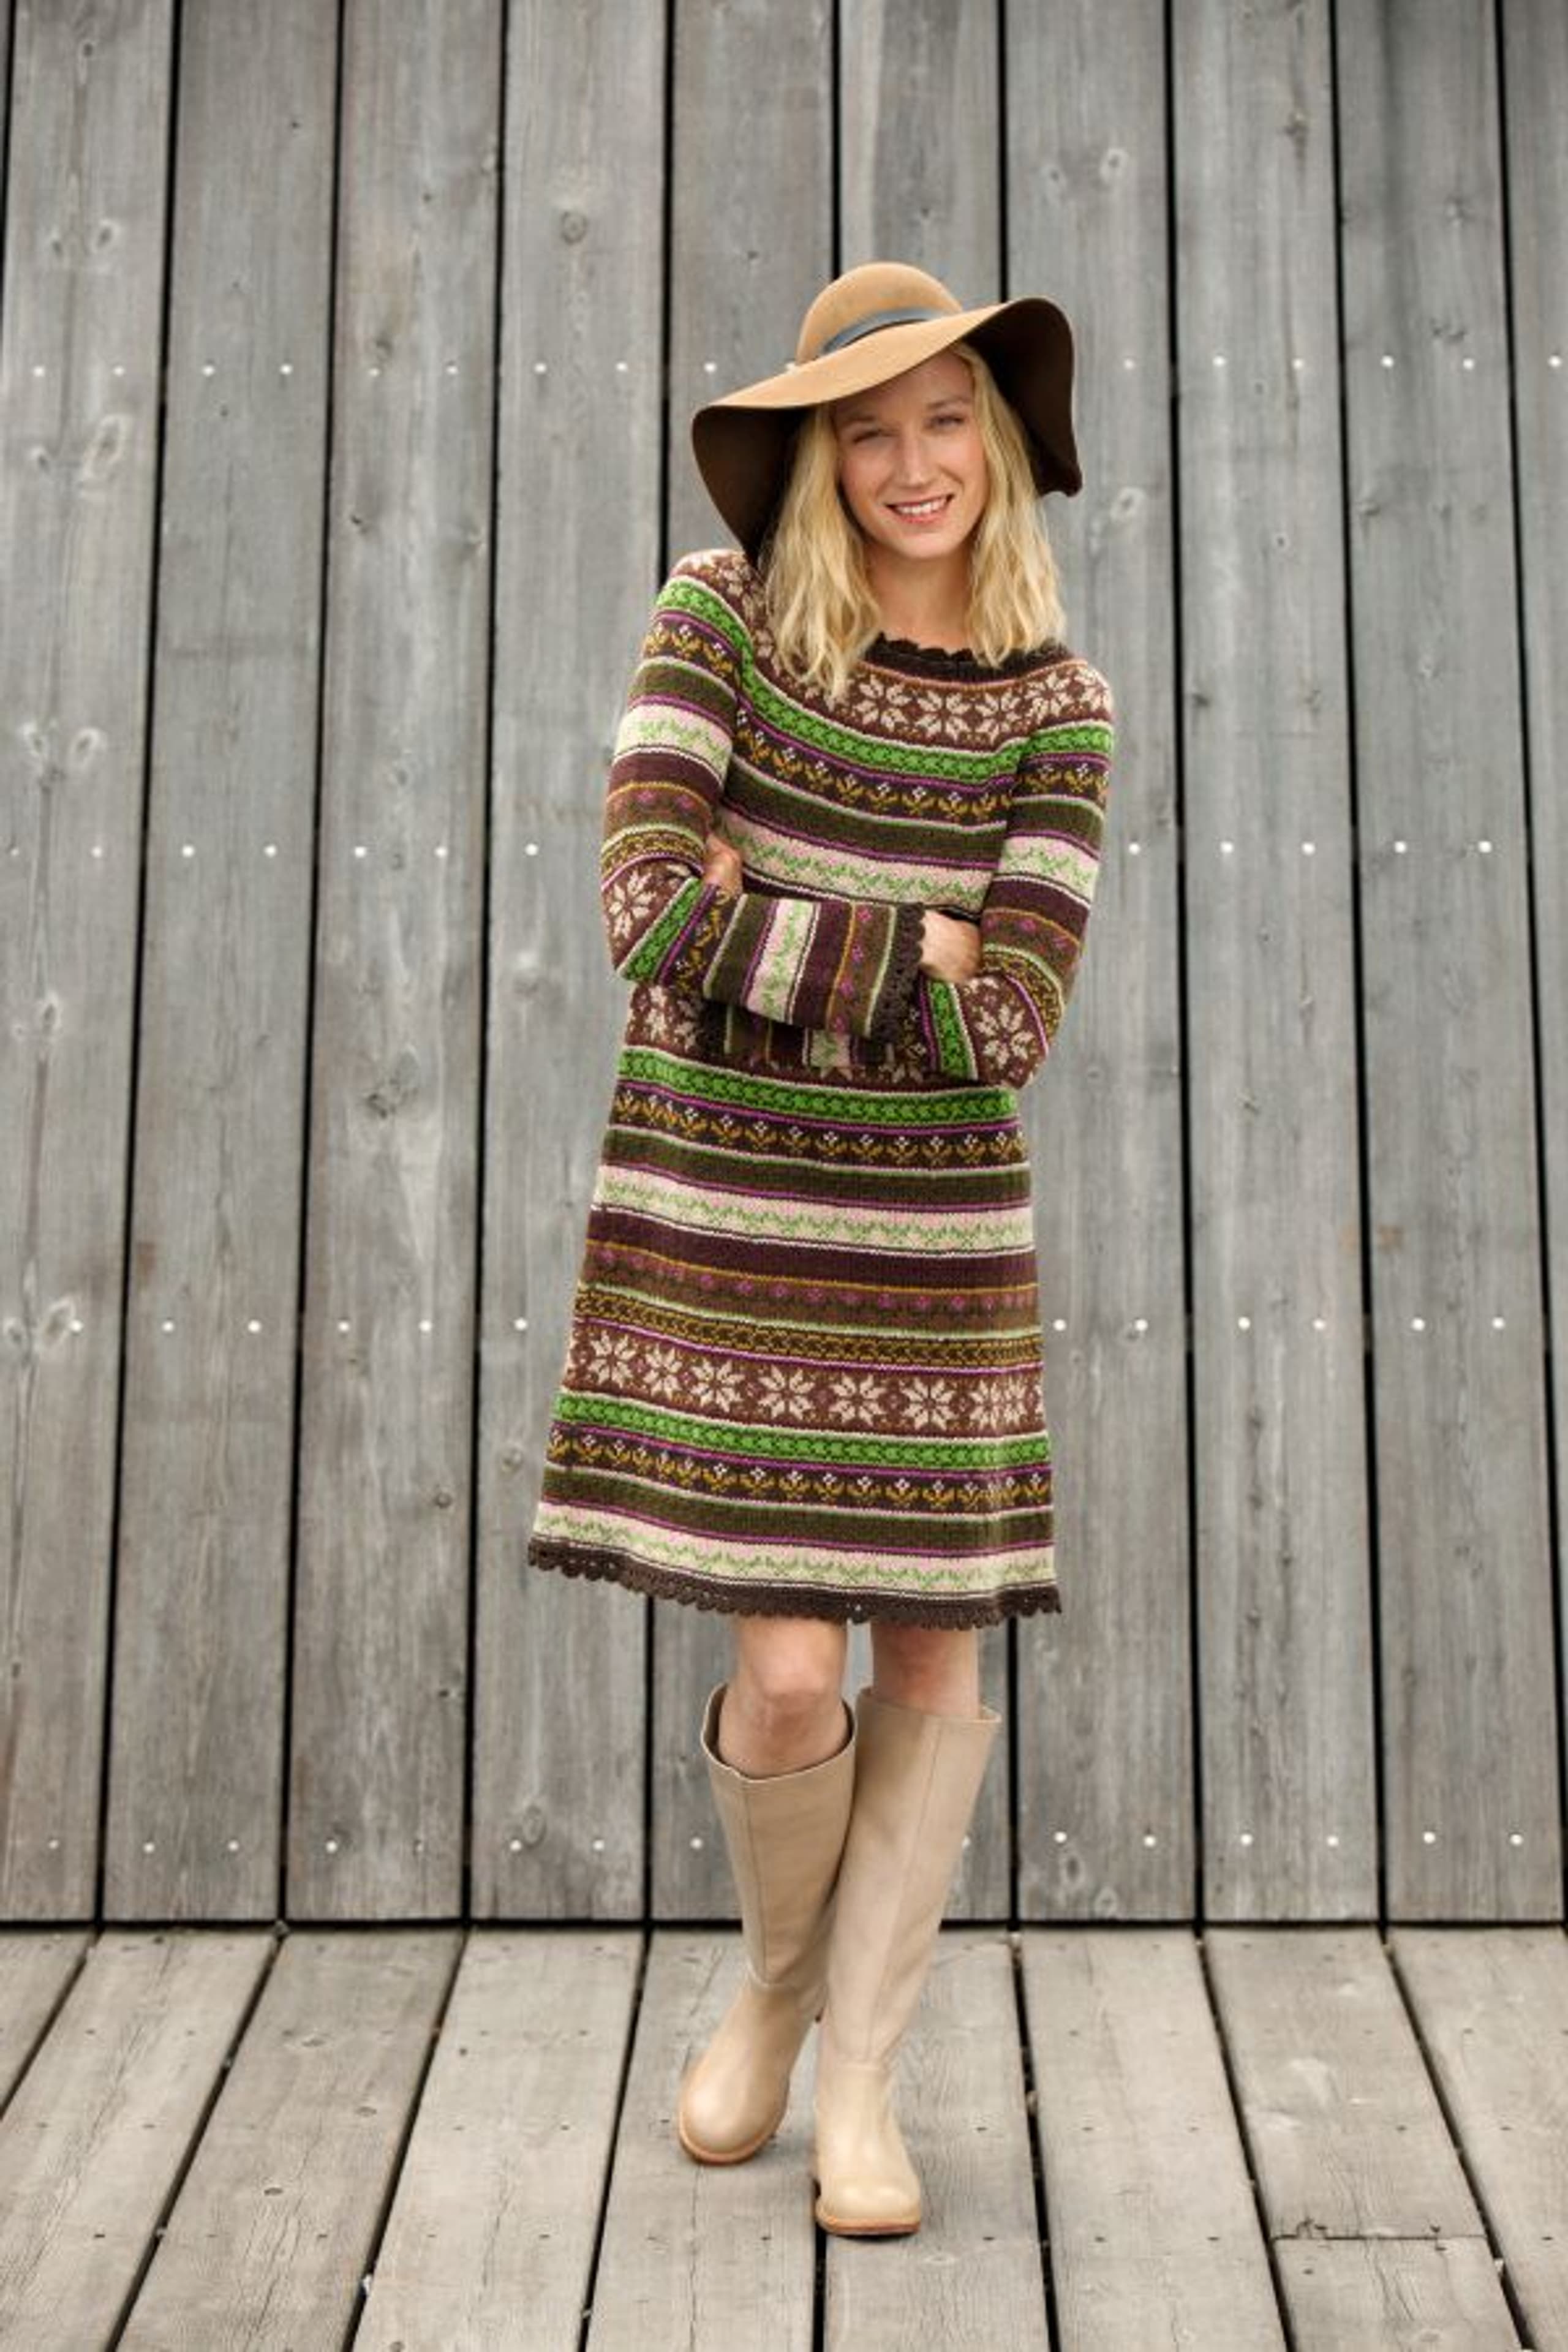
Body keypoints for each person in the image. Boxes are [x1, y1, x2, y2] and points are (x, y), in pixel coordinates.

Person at [527, 261, 1114, 2236]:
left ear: (999, 442)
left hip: (935, 1244)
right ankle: (778, 1984)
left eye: (947, 419)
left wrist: (767, 914)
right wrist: (901, 946)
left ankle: (855, 2077)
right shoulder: (718, 621)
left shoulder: (1058, 706)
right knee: (788, 1681)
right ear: (816, 460)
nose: (914, 462)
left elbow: (1011, 1018)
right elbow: (643, 905)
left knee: (931, 1657)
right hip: (734, 1221)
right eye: (870, 431)